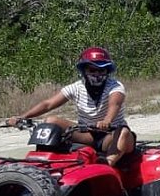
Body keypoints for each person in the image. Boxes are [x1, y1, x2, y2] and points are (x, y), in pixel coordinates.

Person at [8, 46, 136, 166]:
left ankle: (107, 163)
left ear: (107, 71)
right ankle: (44, 160)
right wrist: (22, 117)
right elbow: (48, 104)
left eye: (101, 70)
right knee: (51, 120)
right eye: (92, 70)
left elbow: (115, 104)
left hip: (111, 136)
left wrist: (107, 121)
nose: (97, 74)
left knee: (123, 132)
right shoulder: (76, 87)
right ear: (84, 71)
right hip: (87, 135)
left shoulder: (115, 86)